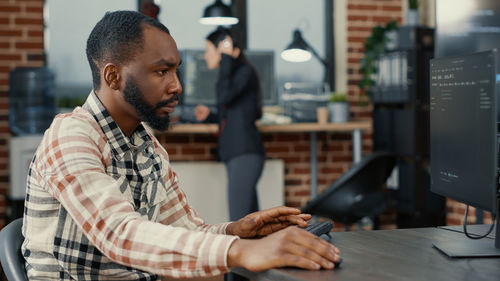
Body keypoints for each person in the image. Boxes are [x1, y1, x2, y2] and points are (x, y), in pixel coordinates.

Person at [21, 11, 340, 280]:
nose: (177, 86)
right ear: (113, 76)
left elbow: (188, 230)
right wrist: (243, 251)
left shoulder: (150, 148)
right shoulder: (71, 136)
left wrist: (238, 232)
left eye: (176, 71)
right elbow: (118, 233)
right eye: (162, 71)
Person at [195, 27, 265, 222]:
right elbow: (232, 114)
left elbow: (225, 97)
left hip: (245, 155)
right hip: (239, 155)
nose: (206, 55)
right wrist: (210, 116)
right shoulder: (236, 74)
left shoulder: (243, 72)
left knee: (239, 223)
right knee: (251, 223)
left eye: (209, 50)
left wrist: (225, 58)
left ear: (222, 49)